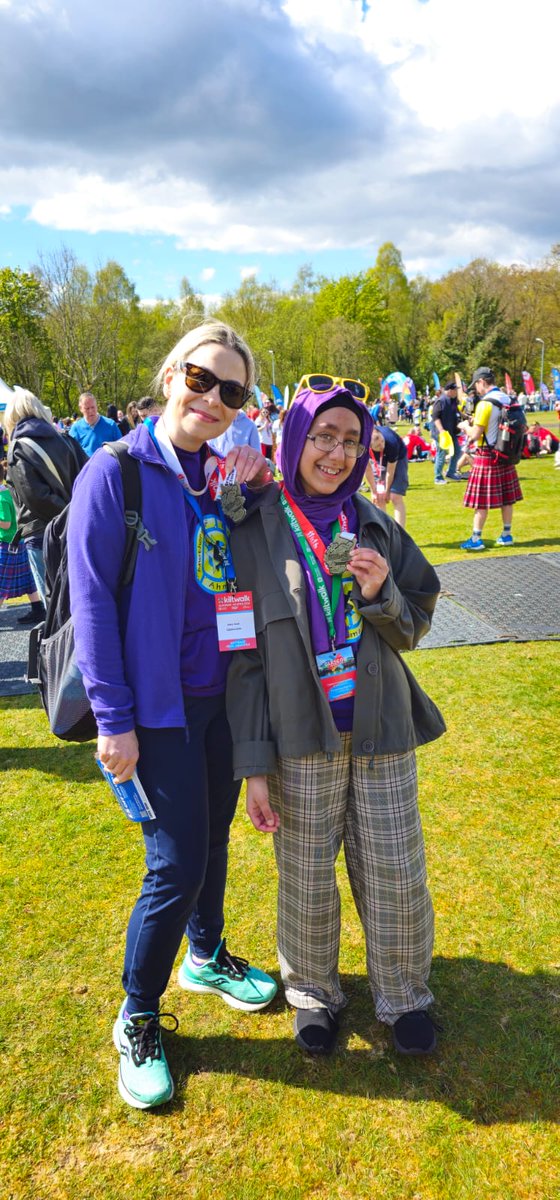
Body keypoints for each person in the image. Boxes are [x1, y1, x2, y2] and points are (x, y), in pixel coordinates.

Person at [67, 321, 277, 1110]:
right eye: (201, 379)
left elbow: (254, 563)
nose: (213, 400)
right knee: (176, 863)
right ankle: (137, 1015)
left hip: (221, 697)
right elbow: (90, 602)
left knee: (213, 840)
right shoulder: (112, 472)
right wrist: (112, 721)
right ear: (169, 376)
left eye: (233, 391)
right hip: (152, 713)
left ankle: (207, 953)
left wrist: (258, 489)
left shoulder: (220, 474)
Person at [226, 385, 445, 1058]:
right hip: (299, 739)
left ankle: (405, 994)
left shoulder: (372, 523)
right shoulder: (251, 524)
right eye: (323, 436)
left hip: (381, 730)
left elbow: (415, 623)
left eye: (351, 439)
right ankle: (313, 994)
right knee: (306, 876)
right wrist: (255, 762)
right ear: (294, 440)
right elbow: (242, 657)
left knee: (395, 871)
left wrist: (381, 597)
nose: (337, 452)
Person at [4, 388, 87, 604]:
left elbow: (36, 498)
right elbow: (90, 479)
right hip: (78, 529)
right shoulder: (66, 439)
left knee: (56, 611)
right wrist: (77, 516)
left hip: (44, 534)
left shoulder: (18, 448)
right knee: (81, 602)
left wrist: (67, 517)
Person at [460, 367, 523, 551]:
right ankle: (506, 534)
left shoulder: (485, 404)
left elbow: (475, 434)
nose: (476, 390)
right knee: (507, 498)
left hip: (487, 454)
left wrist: (465, 426)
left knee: (481, 501)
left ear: (482, 382)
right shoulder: (509, 398)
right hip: (506, 453)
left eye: (476, 385)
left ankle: (476, 538)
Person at [0, 461, 45, 624]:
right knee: (28, 578)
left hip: (7, 544)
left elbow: (5, 524)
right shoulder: (8, 492)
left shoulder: (1, 498)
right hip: (18, 542)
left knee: (1, 580)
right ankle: (38, 608)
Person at [365, 425, 409, 527]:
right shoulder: (362, 448)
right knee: (379, 498)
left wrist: (388, 490)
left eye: (382, 441)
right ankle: (384, 531)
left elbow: (391, 470)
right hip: (377, 460)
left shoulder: (391, 442)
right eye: (377, 446)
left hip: (399, 458)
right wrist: (373, 490)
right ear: (370, 447)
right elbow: (367, 470)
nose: (381, 446)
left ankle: (400, 533)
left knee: (395, 497)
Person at [69, 392, 122, 457]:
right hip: (87, 466)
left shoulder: (110, 424)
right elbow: (71, 454)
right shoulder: (75, 429)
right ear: (80, 408)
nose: (91, 411)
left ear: (96, 406)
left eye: (93, 407)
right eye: (87, 408)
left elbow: (120, 449)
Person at [432, 381, 462, 484]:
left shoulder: (453, 400)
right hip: (442, 433)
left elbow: (456, 412)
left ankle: (451, 472)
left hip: (451, 432)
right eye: (455, 390)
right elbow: (435, 417)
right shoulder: (440, 401)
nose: (456, 392)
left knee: (457, 451)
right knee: (441, 454)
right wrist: (441, 431)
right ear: (449, 390)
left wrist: (466, 417)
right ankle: (438, 477)